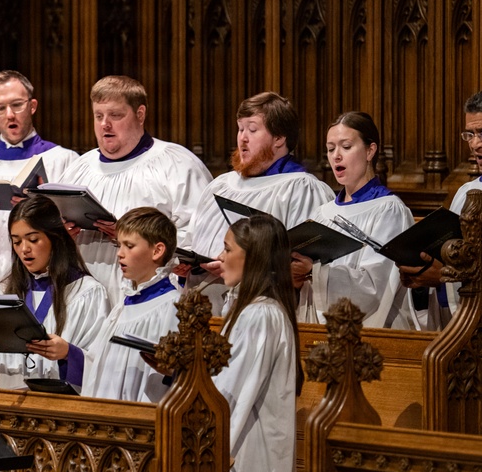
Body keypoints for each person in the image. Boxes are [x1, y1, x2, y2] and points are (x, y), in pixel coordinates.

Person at [57, 75, 212, 305]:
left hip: (150, 302)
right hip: (82, 301)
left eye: (115, 115)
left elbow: (199, 240)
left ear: (140, 114)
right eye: (98, 116)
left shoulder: (177, 164)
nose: (104, 124)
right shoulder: (78, 169)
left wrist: (130, 237)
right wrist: (61, 235)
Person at [213, 213, 299, 472]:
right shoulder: (248, 310)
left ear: (252, 258)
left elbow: (233, 395)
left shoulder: (261, 315)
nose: (219, 255)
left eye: (228, 249)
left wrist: (208, 455)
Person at [188, 92, 334, 311]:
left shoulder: (300, 189)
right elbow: (193, 238)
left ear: (279, 138)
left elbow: (302, 265)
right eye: (240, 128)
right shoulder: (220, 185)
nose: (242, 138)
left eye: (253, 129)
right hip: (203, 309)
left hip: (260, 312)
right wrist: (188, 264)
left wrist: (239, 266)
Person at [0, 194, 109, 389]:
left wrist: (68, 353)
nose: (24, 249)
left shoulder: (87, 293)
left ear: (55, 238)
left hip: (56, 409)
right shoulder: (1, 294)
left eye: (33, 239)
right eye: (16, 242)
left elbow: (102, 364)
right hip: (7, 405)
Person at [293, 112, 414, 328]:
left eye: (346, 147)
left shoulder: (388, 210)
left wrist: (314, 272)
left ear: (370, 150)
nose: (336, 156)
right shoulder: (323, 213)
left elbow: (376, 286)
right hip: (320, 331)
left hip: (370, 333)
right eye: (331, 149)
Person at [0, 71, 78, 284]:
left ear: (32, 106)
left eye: (17, 105)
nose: (9, 115)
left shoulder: (63, 160)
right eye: (0, 108)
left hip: (50, 276)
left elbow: (75, 224)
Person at [397, 91, 482, 329]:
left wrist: (445, 279)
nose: (475, 144)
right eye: (470, 134)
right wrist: (422, 276)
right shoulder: (466, 193)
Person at [81, 207, 181, 402]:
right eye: (119, 245)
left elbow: (173, 378)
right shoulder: (123, 305)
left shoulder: (173, 306)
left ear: (157, 250)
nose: (120, 254)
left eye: (129, 245)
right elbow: (96, 366)